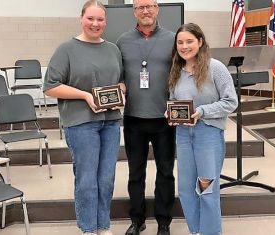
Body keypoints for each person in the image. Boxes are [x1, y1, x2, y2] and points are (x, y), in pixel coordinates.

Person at [43, 1, 124, 235]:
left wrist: (120, 92)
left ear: (105, 21)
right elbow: (50, 87)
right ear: (81, 18)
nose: (95, 24)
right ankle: (88, 229)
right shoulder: (66, 49)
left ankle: (103, 226)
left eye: (100, 19)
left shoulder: (113, 49)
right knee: (87, 180)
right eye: (90, 18)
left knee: (106, 179)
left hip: (110, 122)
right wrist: (85, 96)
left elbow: (121, 81)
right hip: (80, 123)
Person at [166, 23, 238, 235]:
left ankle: (210, 232)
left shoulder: (215, 67)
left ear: (200, 42)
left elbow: (231, 102)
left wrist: (203, 111)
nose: (184, 46)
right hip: (182, 135)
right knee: (186, 189)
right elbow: (173, 100)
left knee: (207, 186)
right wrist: (170, 114)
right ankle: (196, 231)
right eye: (180, 42)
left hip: (208, 134)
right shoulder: (176, 71)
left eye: (189, 41)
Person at [116, 1, 175, 235]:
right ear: (134, 11)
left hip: (165, 119)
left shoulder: (173, 39)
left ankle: (163, 221)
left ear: (157, 9)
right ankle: (137, 219)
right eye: (140, 7)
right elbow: (118, 76)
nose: (146, 11)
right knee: (135, 173)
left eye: (150, 6)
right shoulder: (122, 41)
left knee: (165, 172)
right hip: (133, 119)